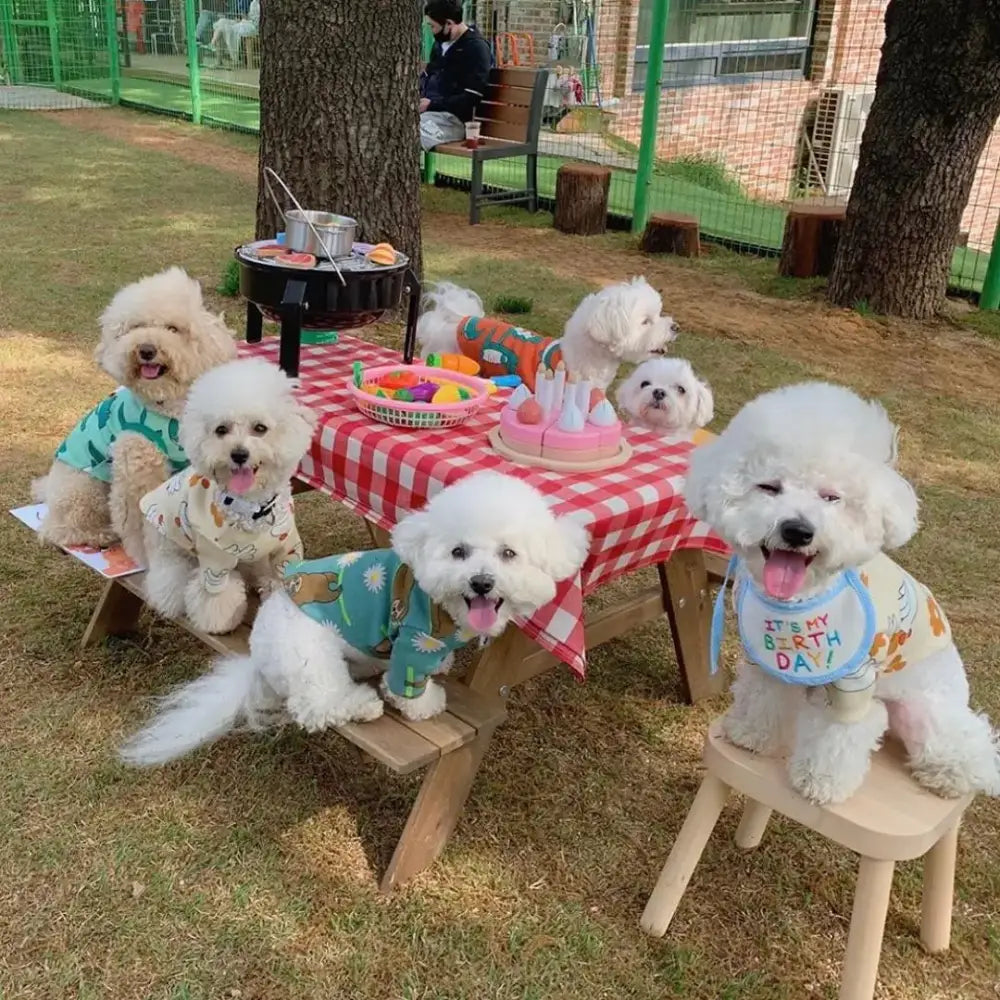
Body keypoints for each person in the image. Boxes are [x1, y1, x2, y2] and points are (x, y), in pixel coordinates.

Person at [419, 0, 492, 151]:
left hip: (454, 120)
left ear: (449, 23)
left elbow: (472, 97)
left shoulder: (476, 48)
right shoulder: (440, 45)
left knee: (407, 132)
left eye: (433, 26)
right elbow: (430, 75)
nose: (432, 32)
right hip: (429, 114)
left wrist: (431, 104)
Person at [207, 0, 259, 67]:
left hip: (249, 25)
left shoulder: (255, 3)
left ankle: (213, 46)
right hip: (241, 21)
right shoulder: (253, 2)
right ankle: (213, 46)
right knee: (222, 22)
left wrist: (243, 20)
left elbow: (254, 20)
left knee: (225, 28)